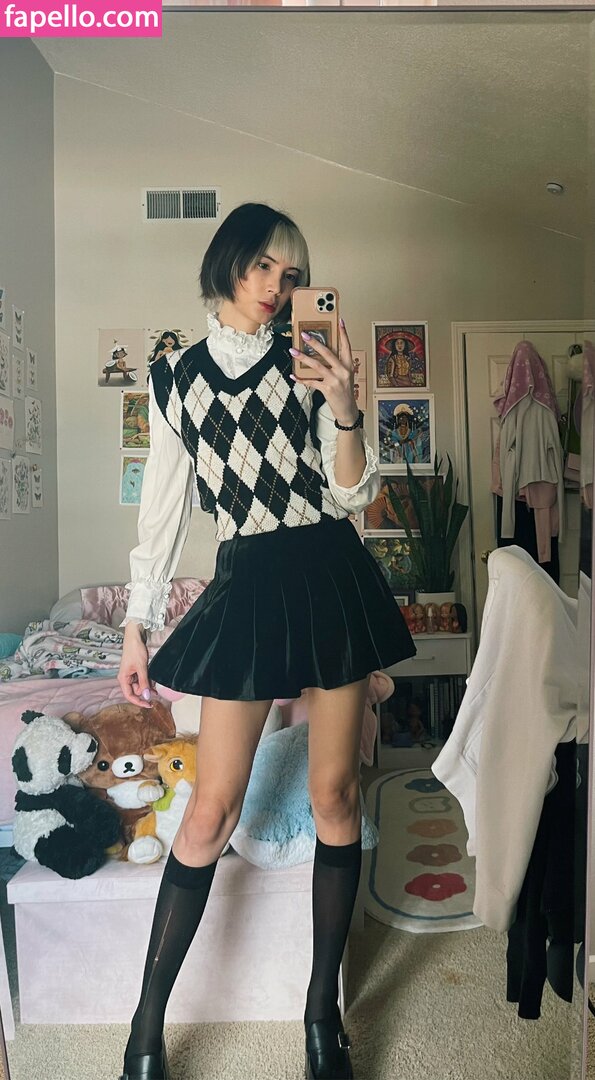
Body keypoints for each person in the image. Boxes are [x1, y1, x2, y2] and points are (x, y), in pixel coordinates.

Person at [117, 201, 415, 1080]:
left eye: (291, 276)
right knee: (209, 810)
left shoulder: (307, 360)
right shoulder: (173, 380)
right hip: (246, 582)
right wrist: (135, 625)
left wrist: (347, 407)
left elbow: (352, 496)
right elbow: (162, 515)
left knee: (334, 798)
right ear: (228, 263)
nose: (276, 288)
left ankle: (321, 1013)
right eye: (262, 268)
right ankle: (145, 1028)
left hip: (327, 574)